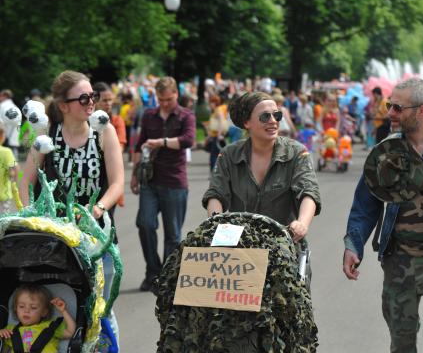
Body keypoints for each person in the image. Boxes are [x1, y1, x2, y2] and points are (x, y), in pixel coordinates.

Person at [19, 70, 124, 353]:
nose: (91, 102)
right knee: (62, 305)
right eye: (83, 98)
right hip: (58, 237)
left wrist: (100, 208)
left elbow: (118, 180)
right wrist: (29, 218)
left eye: (92, 96)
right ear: (63, 106)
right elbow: (25, 182)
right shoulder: (47, 136)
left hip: (96, 234)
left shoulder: (103, 131)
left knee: (100, 307)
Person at [343, 77, 423, 353]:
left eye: (397, 107)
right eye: (389, 105)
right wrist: (353, 244)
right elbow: (365, 203)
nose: (389, 112)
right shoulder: (387, 152)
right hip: (400, 259)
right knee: (402, 334)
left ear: (421, 111)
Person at [202, 91, 321, 244]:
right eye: (265, 116)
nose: (273, 121)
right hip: (240, 245)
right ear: (247, 122)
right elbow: (216, 194)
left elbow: (308, 191)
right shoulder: (229, 155)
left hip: (283, 245)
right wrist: (216, 223)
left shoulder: (296, 152)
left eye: (276, 115)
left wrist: (302, 223)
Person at [130, 76, 196, 293]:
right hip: (150, 180)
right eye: (161, 99)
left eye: (169, 99)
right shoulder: (150, 115)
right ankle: (153, 271)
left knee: (173, 234)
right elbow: (139, 145)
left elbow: (188, 140)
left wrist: (162, 142)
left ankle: (168, 277)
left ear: (176, 94)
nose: (165, 103)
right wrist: (134, 174)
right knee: (145, 223)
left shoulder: (186, 115)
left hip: (175, 181)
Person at [94, 82, 127, 151]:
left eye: (110, 100)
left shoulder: (117, 120)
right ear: (95, 101)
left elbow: (120, 147)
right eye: (104, 100)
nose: (108, 103)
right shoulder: (85, 121)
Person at [0, 123, 17, 215]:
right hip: (4, 194)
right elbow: (12, 171)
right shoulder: (7, 152)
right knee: (3, 220)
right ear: (2, 136)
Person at [0, 90, 20, 159]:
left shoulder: (2, 106)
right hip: (14, 138)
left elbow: (1, 122)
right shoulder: (15, 107)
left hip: (4, 139)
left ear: (5, 96)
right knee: (14, 163)